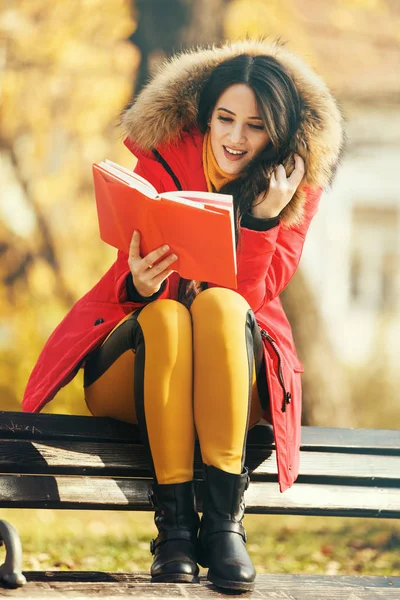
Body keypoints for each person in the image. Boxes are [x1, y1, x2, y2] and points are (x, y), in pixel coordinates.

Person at [23, 40, 344, 591]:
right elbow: (127, 273)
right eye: (225, 119)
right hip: (141, 369)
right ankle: (172, 531)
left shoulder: (290, 186)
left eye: (256, 126)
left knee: (222, 303)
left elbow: (258, 298)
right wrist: (138, 284)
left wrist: (264, 221)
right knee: (167, 315)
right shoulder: (165, 153)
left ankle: (223, 529)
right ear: (207, 116)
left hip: (234, 381)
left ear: (279, 133)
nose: (236, 138)